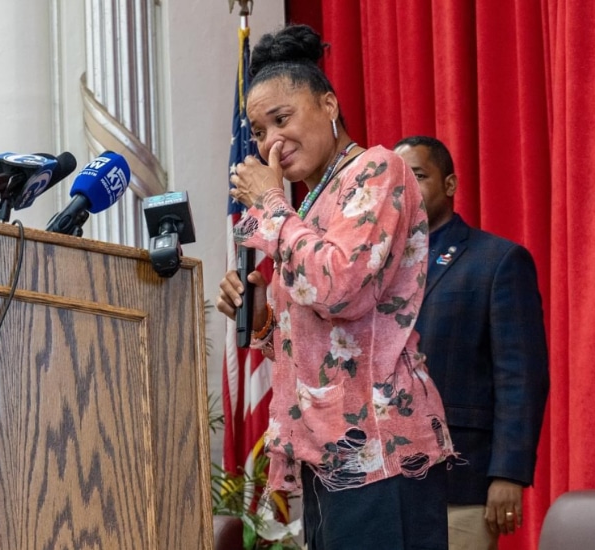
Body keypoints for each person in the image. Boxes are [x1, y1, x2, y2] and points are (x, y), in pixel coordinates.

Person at [216, 25, 454, 550]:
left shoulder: (377, 168)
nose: (270, 142)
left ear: (328, 104)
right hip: (326, 456)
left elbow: (341, 288)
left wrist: (272, 207)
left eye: (282, 119)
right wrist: (258, 308)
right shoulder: (309, 205)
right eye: (258, 131)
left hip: (384, 448)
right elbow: (307, 336)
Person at [393, 135, 550, 550]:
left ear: (449, 184)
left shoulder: (497, 261)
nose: (405, 189)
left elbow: (521, 377)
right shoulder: (376, 271)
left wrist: (508, 474)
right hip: (383, 484)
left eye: (418, 175)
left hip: (461, 482)